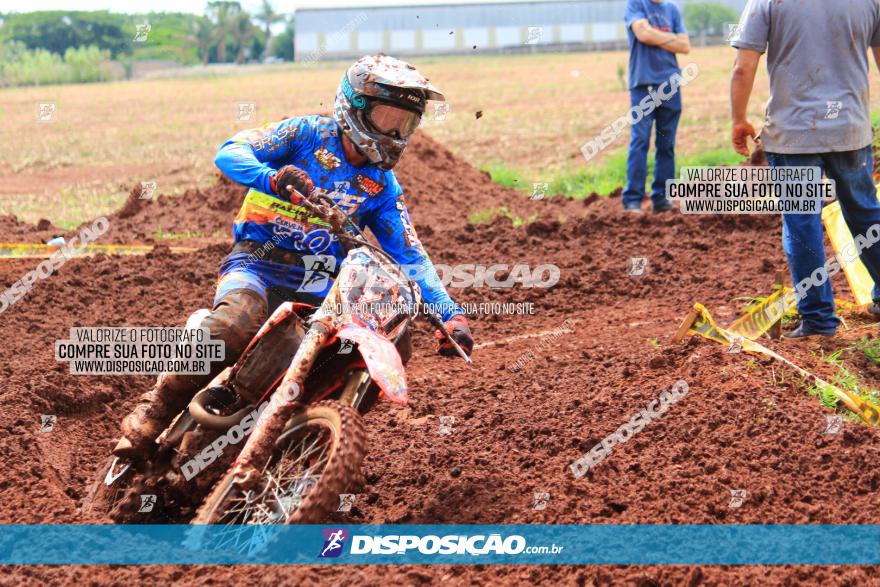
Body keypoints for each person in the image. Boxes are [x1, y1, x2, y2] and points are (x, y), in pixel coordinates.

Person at [115, 55, 473, 456]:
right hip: (258, 263)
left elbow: (411, 255)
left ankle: (306, 445)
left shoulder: (381, 186)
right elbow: (230, 152)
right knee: (234, 324)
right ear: (353, 107)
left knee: (391, 343)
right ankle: (153, 413)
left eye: (405, 123)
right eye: (387, 118)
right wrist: (271, 177)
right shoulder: (305, 134)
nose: (395, 132)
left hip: (322, 283)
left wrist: (449, 313)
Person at [730, 0, 880, 338]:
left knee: (801, 223)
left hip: (793, 137)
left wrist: (739, 119)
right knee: (866, 213)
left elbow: (743, 67)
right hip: (850, 132)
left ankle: (818, 322)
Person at [622, 0, 690, 213]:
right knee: (640, 141)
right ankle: (633, 199)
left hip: (670, 84)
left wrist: (655, 35)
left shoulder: (672, 9)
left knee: (666, 144)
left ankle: (661, 198)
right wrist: (671, 39)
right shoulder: (636, 4)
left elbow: (685, 45)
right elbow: (643, 35)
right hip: (643, 83)